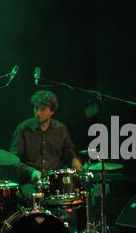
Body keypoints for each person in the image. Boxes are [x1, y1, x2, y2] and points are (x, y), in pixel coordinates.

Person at [9, 90, 83, 225]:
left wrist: (75, 161)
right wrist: (31, 172)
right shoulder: (23, 129)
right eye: (36, 108)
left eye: (43, 109)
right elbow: (13, 160)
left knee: (78, 199)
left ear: (52, 111)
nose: (38, 113)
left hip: (54, 185)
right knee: (33, 200)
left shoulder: (61, 129)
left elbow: (70, 153)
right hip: (29, 183)